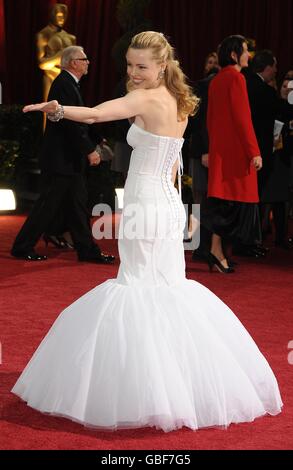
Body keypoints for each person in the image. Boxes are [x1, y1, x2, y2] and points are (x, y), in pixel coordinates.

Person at [12, 32, 282, 432]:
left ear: (161, 65)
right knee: (166, 289)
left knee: (138, 288)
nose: (134, 74)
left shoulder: (146, 98)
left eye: (141, 67)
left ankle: (148, 390)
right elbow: (173, 168)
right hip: (166, 205)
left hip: (145, 205)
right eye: (129, 67)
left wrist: (58, 109)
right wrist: (182, 211)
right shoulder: (179, 101)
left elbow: (97, 113)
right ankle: (174, 387)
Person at [11, 46, 114, 264]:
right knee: (47, 205)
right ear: (72, 62)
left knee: (77, 205)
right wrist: (89, 149)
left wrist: (96, 139)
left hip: (67, 159)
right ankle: (22, 246)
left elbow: (81, 117)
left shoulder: (70, 85)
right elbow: (69, 124)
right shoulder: (64, 85)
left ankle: (87, 250)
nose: (88, 62)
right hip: (61, 159)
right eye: (84, 59)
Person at [206, 35, 263, 273]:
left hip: (221, 150)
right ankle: (217, 252)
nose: (248, 54)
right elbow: (243, 119)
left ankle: (217, 252)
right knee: (231, 206)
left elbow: (210, 120)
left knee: (223, 203)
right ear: (234, 54)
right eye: (246, 50)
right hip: (235, 153)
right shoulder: (236, 78)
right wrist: (254, 151)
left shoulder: (217, 80)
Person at [36, 3, 76, 101]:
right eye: (59, 16)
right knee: (49, 110)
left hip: (68, 79)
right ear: (53, 15)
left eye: (64, 17)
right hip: (51, 77)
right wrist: (58, 57)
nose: (62, 19)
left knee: (67, 110)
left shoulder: (70, 37)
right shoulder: (43, 35)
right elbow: (41, 63)